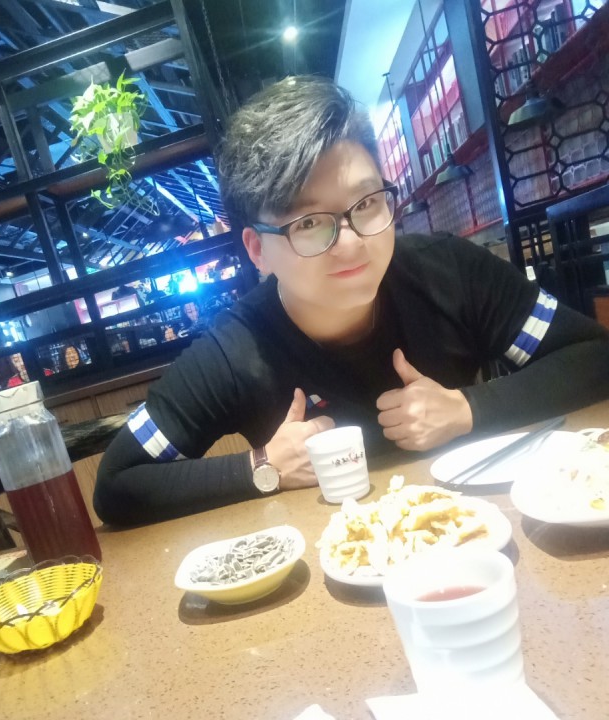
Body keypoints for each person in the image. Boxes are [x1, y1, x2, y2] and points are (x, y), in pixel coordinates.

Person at [94, 75, 609, 527]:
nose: (351, 241)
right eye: (309, 223)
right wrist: (263, 467)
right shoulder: (234, 351)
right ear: (258, 250)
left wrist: (468, 410)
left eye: (366, 203)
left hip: (477, 527)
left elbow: (594, 355)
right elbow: (117, 484)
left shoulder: (447, 270)